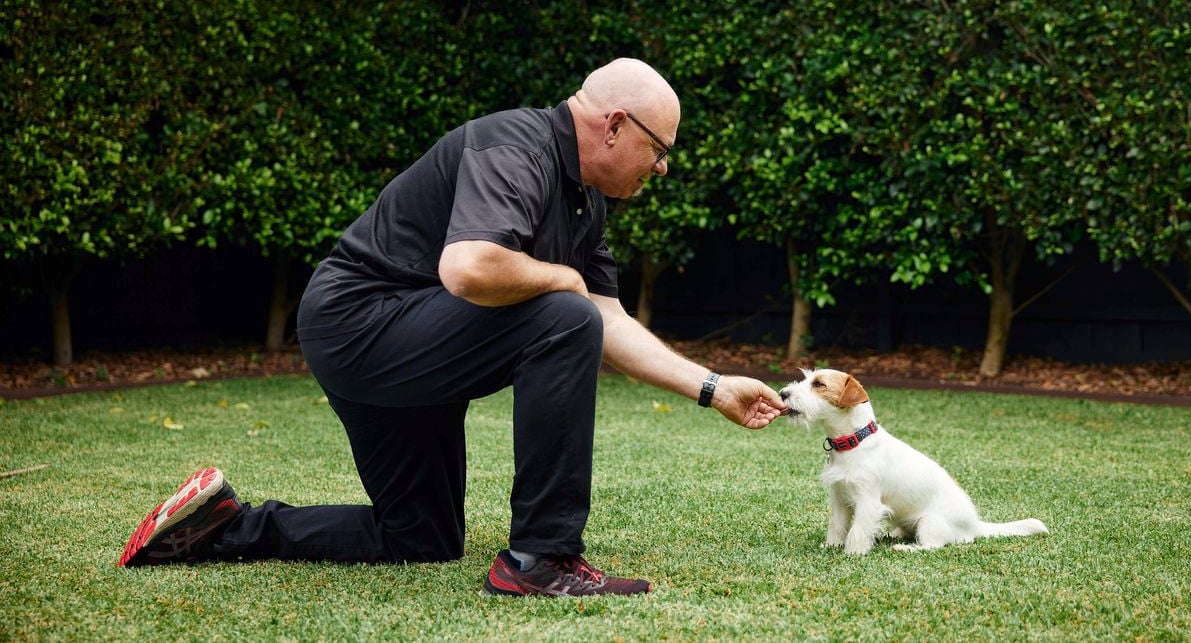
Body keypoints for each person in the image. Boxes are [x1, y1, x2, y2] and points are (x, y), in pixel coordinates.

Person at [118, 58, 788, 596]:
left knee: (421, 536)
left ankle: (225, 527)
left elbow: (608, 318)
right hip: (361, 324)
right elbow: (469, 267)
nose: (662, 166)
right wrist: (565, 280)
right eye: (659, 148)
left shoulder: (586, 200)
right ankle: (541, 557)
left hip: (409, 339)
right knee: (563, 313)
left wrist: (711, 387)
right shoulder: (516, 148)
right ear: (615, 125)